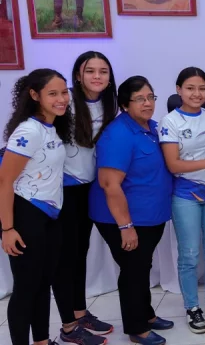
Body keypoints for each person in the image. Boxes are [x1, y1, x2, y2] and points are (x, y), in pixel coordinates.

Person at [90, 76, 175, 345]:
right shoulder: (118, 134)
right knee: (133, 270)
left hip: (149, 216)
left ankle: (146, 314)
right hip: (124, 219)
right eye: (140, 99)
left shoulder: (153, 127)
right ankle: (137, 328)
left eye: (151, 97)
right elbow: (109, 184)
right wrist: (125, 227)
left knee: (142, 265)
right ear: (125, 104)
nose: (148, 103)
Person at [0, 69, 71, 345]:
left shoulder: (51, 127)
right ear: (34, 95)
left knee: (43, 284)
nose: (61, 99)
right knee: (25, 289)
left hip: (50, 216)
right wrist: (7, 228)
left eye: (64, 92)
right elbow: (5, 181)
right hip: (26, 214)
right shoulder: (29, 130)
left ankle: (41, 341)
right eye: (53, 93)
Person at [53, 51, 117, 344]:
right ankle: (68, 327)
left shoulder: (108, 104)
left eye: (103, 71)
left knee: (79, 254)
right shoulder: (63, 102)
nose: (97, 76)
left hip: (88, 188)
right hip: (61, 189)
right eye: (90, 71)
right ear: (78, 75)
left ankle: (79, 313)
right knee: (64, 259)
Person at [158, 68, 205, 334]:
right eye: (190, 88)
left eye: (202, 88)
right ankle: (192, 307)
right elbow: (172, 163)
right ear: (178, 90)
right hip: (186, 194)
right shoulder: (170, 121)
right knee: (189, 255)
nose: (196, 94)